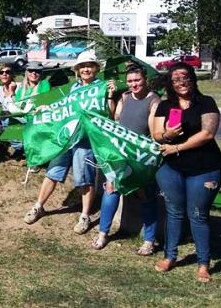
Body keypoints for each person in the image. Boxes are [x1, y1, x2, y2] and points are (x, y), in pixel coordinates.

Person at [23, 51, 114, 234]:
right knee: (53, 172)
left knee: (84, 178)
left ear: (96, 68)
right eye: (82, 67)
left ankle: (85, 215)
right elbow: (64, 107)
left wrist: (110, 96)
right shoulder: (74, 88)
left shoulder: (102, 87)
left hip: (86, 140)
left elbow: (110, 115)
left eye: (89, 66)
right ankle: (39, 206)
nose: (86, 69)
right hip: (66, 138)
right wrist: (46, 108)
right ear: (78, 70)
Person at [152, 62, 221, 283]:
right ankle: (170, 256)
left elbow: (207, 134)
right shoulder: (165, 106)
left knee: (198, 215)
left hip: (204, 168)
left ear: (192, 79)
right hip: (171, 168)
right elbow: (156, 134)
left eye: (185, 78)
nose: (181, 82)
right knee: (174, 211)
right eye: (175, 79)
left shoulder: (206, 102)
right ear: (170, 84)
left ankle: (203, 263)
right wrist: (168, 136)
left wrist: (178, 147)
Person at [91, 65, 160, 254]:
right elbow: (115, 120)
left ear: (144, 79)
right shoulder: (125, 97)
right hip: (120, 154)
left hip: (140, 157)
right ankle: (103, 233)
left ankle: (149, 240)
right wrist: (111, 97)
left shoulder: (154, 100)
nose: (133, 84)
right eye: (130, 81)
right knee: (111, 189)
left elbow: (154, 133)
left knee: (145, 195)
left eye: (137, 80)